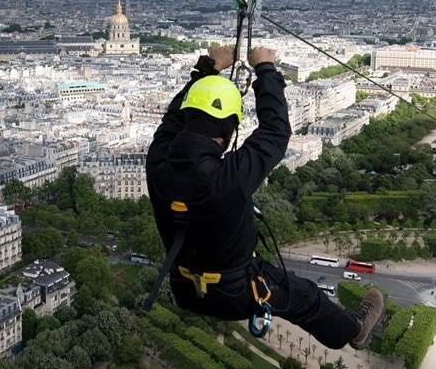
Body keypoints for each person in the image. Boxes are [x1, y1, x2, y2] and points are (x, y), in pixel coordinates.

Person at [146, 45, 384, 349]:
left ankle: (352, 329)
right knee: (307, 298)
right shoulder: (227, 177)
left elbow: (173, 119)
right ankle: (355, 330)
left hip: (184, 287)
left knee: (301, 295)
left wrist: (206, 69)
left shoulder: (158, 163)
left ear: (188, 120)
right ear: (231, 130)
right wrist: (266, 69)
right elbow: (275, 132)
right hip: (235, 292)